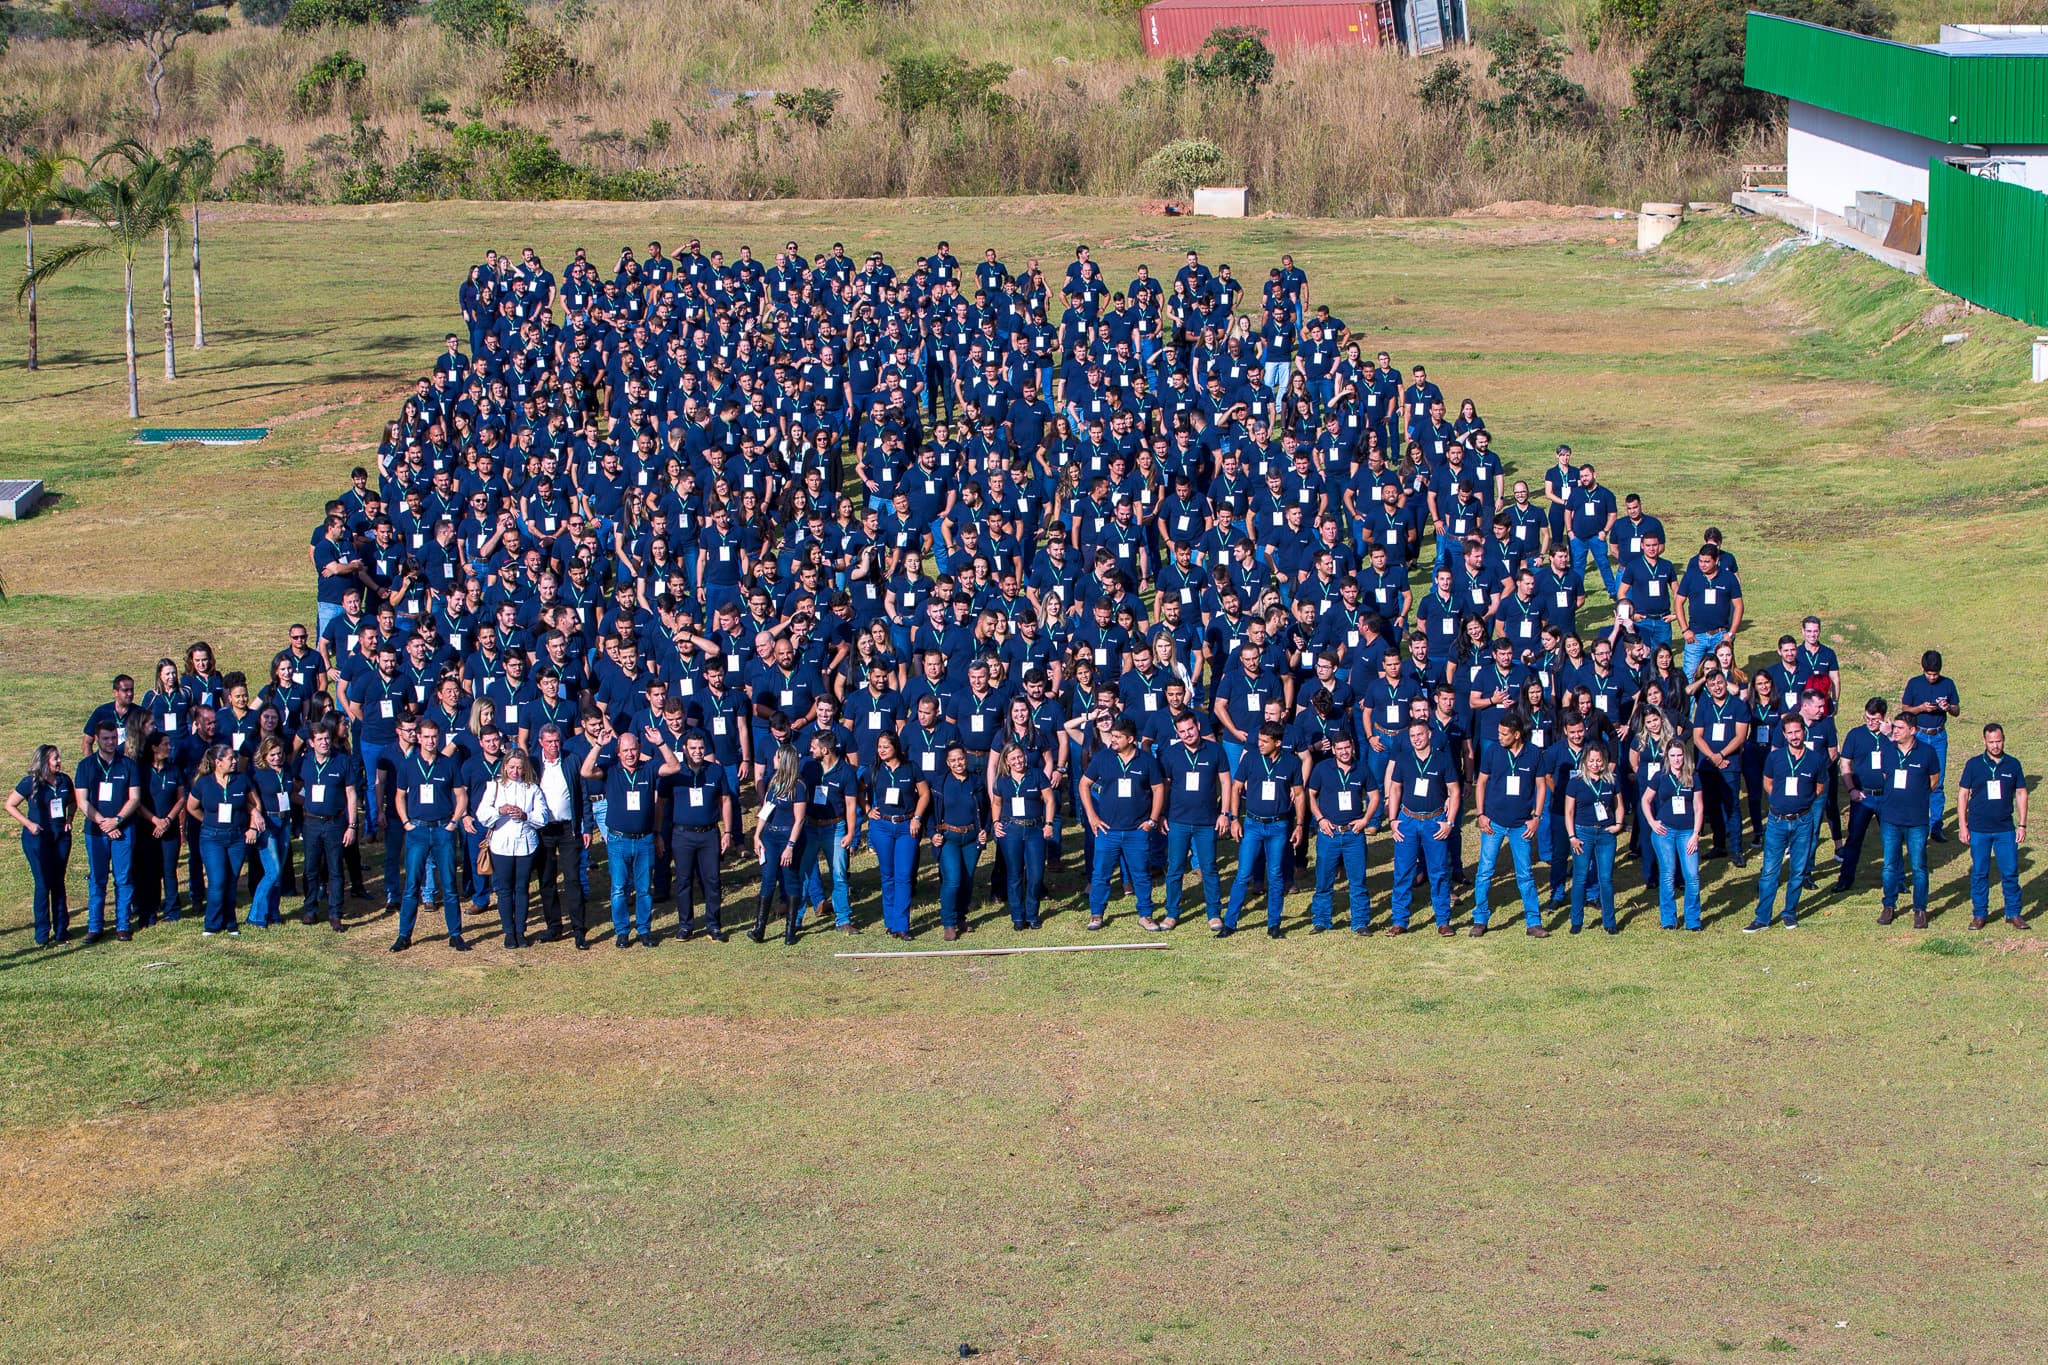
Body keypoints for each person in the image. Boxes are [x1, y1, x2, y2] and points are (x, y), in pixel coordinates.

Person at [1078, 717, 1164, 932]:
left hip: (1137, 831)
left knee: (1141, 876)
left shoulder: (1147, 761)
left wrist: (1152, 820)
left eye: (1117, 737)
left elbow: (1159, 789)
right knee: (1101, 875)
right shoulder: (1103, 758)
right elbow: (1084, 784)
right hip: (1108, 831)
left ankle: (1145, 915)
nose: (1112, 740)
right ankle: (1096, 914)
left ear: (1131, 739)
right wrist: (1092, 817)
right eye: (1112, 736)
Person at [393, 717, 470, 952]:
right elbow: (399, 796)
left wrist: (454, 822)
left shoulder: (448, 764)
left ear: (439, 737)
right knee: (412, 886)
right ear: (418, 737)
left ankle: (455, 934)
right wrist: (406, 822)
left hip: (442, 829)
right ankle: (404, 935)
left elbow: (461, 796)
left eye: (434, 737)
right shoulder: (408, 765)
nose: (430, 741)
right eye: (425, 736)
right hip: (417, 830)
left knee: (448, 884)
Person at [1223, 721, 1305, 938]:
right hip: (1252, 824)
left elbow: (1299, 794)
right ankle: (1230, 923)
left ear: (1278, 743)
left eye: (1264, 741)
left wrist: (1299, 825)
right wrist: (1234, 818)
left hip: (1279, 825)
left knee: (1276, 875)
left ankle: (1274, 924)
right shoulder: (1250, 758)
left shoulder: (1292, 762)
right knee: (1243, 874)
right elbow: (1236, 787)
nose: (1259, 744)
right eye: (1258, 740)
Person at [1750, 714, 1829, 931]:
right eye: (1790, 733)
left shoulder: (1815, 759)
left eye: (1798, 731)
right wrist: (1779, 801)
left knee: (1798, 870)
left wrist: (1803, 802)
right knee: (1769, 871)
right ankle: (1762, 918)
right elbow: (1768, 782)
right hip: (1777, 821)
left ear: (1804, 732)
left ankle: (1790, 913)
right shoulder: (1775, 758)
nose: (1794, 736)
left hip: (1803, 821)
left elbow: (1820, 786)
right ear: (1784, 735)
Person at [1472, 714, 1546, 937]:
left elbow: (1541, 786)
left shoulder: (1533, 753)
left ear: (1517, 734)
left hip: (1521, 825)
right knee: (1485, 872)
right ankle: (1480, 919)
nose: (1500, 737)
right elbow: (1481, 782)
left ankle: (1533, 922)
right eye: (1499, 733)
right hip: (1493, 823)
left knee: (1525, 874)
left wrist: (1537, 817)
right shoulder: (1493, 751)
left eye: (1504, 734)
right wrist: (1480, 814)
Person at [1385, 717, 1459, 935]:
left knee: (1439, 872)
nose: (1416, 739)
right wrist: (1392, 820)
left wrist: (1449, 822)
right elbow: (1395, 789)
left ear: (1429, 735)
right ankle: (1400, 921)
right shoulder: (1404, 759)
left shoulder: (1443, 759)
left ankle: (1443, 921)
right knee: (1403, 872)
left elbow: (1454, 791)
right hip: (1407, 821)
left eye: (1420, 734)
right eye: (1412, 736)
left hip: (1435, 822)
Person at [1158, 710, 1228, 932]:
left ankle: (1214, 912)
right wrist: (1160, 814)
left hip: (1207, 821)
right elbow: (1165, 786)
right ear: (1177, 733)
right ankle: (1172, 913)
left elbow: (1226, 783)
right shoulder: (1169, 754)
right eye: (1182, 731)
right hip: (1178, 820)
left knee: (1209, 868)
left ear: (1198, 726)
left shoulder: (1216, 750)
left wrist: (1224, 813)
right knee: (1175, 869)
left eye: (1190, 729)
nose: (1187, 734)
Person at [76, 717, 142, 943]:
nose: (111, 742)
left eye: (114, 738)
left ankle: (123, 925)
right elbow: (82, 801)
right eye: (106, 738)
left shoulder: (128, 765)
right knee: (97, 878)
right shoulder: (86, 766)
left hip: (123, 830)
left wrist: (117, 820)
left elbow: (134, 798)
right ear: (96, 740)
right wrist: (104, 823)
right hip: (96, 832)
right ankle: (95, 927)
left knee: (123, 878)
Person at [1305, 729, 1378, 934]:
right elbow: (1310, 795)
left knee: (1357, 881)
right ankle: (1321, 920)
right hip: (1329, 833)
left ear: (1352, 747)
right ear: (1334, 751)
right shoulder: (1322, 769)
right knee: (1324, 880)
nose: (1345, 752)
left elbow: (1375, 796)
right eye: (1340, 749)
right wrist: (1320, 819)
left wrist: (1365, 820)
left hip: (1353, 834)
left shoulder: (1362, 769)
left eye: (1347, 747)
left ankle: (1360, 922)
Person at [1957, 723, 2027, 930]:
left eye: (1999, 741)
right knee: (1979, 872)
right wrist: (1963, 825)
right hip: (1979, 829)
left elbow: (2021, 793)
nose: (1996, 745)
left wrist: (2022, 824)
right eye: (1991, 742)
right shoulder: (1974, 765)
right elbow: (1963, 794)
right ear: (1984, 741)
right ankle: (1979, 914)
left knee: (2010, 872)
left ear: (2003, 739)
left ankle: (2013, 913)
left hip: (2005, 829)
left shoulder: (2013, 765)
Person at [478, 748, 547, 948]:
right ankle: (508, 931)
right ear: (505, 766)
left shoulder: (532, 788)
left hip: (525, 843)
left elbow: (542, 817)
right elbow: (482, 814)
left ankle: (520, 930)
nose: (515, 771)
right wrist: (500, 811)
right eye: (512, 767)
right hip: (502, 844)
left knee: (522, 888)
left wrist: (525, 815)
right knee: (505, 889)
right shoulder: (495, 787)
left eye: (519, 767)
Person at [1876, 714, 1940, 929]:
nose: (1895, 731)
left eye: (1900, 728)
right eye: (1894, 727)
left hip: (1917, 820)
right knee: (1889, 865)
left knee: (1919, 866)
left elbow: (1934, 780)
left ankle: (1919, 909)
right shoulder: (1888, 750)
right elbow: (1887, 776)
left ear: (1913, 730)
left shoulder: (1927, 752)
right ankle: (1889, 905)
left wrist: (1917, 796)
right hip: (1891, 818)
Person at [668, 730, 733, 942]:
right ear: (685, 749)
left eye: (701, 748)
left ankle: (714, 925)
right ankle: (685, 926)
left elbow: (725, 800)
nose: (698, 752)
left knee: (712, 880)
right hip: (682, 834)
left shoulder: (715, 770)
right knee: (684, 881)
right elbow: (661, 803)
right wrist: (660, 832)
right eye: (693, 748)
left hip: (709, 834)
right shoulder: (676, 772)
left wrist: (728, 832)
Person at [865, 729, 929, 940]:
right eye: (879, 747)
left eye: (886, 746)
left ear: (896, 748)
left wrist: (917, 818)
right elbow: (856, 789)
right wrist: (867, 809)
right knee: (888, 875)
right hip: (882, 826)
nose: (881, 750)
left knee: (904, 875)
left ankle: (902, 924)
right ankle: (890, 922)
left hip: (905, 826)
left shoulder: (910, 768)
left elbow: (924, 794)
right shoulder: (874, 769)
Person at [8, 745, 74, 946]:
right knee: (43, 883)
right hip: (38, 840)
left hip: (60, 837)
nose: (59, 762)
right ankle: (42, 933)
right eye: (55, 759)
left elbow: (72, 801)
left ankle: (62, 930)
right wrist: (28, 824)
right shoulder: (30, 782)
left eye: (59, 758)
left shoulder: (64, 780)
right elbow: (10, 804)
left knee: (58, 882)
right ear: (45, 761)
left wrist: (69, 818)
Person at [186, 743, 253, 938]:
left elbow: (254, 804)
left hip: (236, 837)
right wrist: (207, 821)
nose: (235, 761)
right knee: (217, 881)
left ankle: (230, 922)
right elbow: (192, 807)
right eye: (231, 758)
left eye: (235, 758)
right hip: (211, 837)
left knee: (231, 880)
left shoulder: (242, 780)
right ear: (218, 762)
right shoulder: (203, 783)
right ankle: (212, 924)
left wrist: (252, 824)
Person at [531, 722, 589, 947]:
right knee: (546, 881)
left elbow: (582, 794)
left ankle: (579, 929)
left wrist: (586, 826)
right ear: (541, 743)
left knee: (573, 879)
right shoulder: (534, 763)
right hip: (544, 830)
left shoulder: (572, 760)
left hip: (568, 829)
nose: (554, 745)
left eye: (557, 741)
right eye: (550, 742)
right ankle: (553, 926)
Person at [297, 720, 357, 931]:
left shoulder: (342, 761)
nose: (324, 743)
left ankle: (335, 913)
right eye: (320, 739)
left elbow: (350, 793)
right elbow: (295, 786)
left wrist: (352, 825)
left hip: (334, 823)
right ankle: (310, 909)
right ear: (311, 743)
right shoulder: (304, 762)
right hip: (311, 822)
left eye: (327, 739)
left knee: (335, 870)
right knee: (310, 869)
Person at [929, 743, 990, 942]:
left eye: (961, 759)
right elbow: (930, 813)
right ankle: (948, 922)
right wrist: (932, 833)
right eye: (953, 760)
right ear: (947, 763)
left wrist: (985, 830)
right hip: (949, 838)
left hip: (971, 838)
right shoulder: (939, 784)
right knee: (953, 880)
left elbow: (988, 809)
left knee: (967, 879)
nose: (958, 763)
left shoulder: (977, 782)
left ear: (967, 759)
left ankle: (961, 917)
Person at [1641, 738, 1704, 931]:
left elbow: (1699, 806)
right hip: (1665, 831)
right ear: (1667, 757)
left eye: (1679, 755)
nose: (1677, 760)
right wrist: (1652, 822)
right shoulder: (1660, 776)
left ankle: (1693, 919)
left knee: (1692, 876)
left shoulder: (1693, 776)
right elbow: (1645, 800)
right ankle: (1668, 918)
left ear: (1685, 756)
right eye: (1673, 756)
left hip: (1687, 832)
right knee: (1668, 875)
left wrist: (1696, 834)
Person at [751, 746, 811, 943]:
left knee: (790, 879)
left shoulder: (798, 786)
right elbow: (766, 810)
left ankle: (790, 930)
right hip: (770, 836)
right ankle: (760, 928)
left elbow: (799, 820)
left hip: (788, 837)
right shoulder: (774, 782)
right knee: (768, 879)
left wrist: (790, 846)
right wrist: (757, 835)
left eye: (776, 757)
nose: (772, 759)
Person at [991, 741, 1054, 930]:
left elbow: (1049, 800)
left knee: (1035, 875)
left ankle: (1032, 914)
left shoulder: (1037, 775)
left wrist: (1049, 824)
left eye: (1020, 756)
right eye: (1013, 758)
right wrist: (996, 823)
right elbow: (996, 804)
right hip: (1012, 830)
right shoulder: (1001, 780)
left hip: (1035, 829)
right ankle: (1018, 916)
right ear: (1007, 761)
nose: (1018, 761)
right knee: (1014, 874)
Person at [1899, 650, 1960, 842]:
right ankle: (1912, 823)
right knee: (1913, 780)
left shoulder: (1948, 684)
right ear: (1923, 670)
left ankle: (1935, 826)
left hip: (1939, 737)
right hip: (1919, 736)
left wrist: (1948, 707)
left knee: (1938, 782)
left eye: (1935, 674)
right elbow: (1905, 709)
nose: (1932, 677)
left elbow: (1957, 710)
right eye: (1929, 674)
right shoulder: (1915, 683)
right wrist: (1921, 709)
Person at [1831, 697, 1889, 895]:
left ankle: (1896, 879)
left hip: (1887, 797)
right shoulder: (1855, 735)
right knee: (1854, 838)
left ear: (1884, 718)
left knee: (1891, 839)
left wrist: (1890, 736)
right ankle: (1845, 878)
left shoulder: (1892, 736)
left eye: (1875, 719)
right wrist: (1851, 790)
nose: (1871, 723)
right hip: (1863, 796)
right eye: (1867, 718)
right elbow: (1845, 763)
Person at [247, 737, 295, 929]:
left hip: (285, 821)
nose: (277, 758)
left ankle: (274, 912)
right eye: (272, 755)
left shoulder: (286, 771)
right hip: (268, 822)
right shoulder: (258, 775)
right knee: (272, 870)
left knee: (279, 872)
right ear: (264, 756)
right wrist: (256, 818)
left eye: (279, 754)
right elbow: (249, 800)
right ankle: (256, 915)